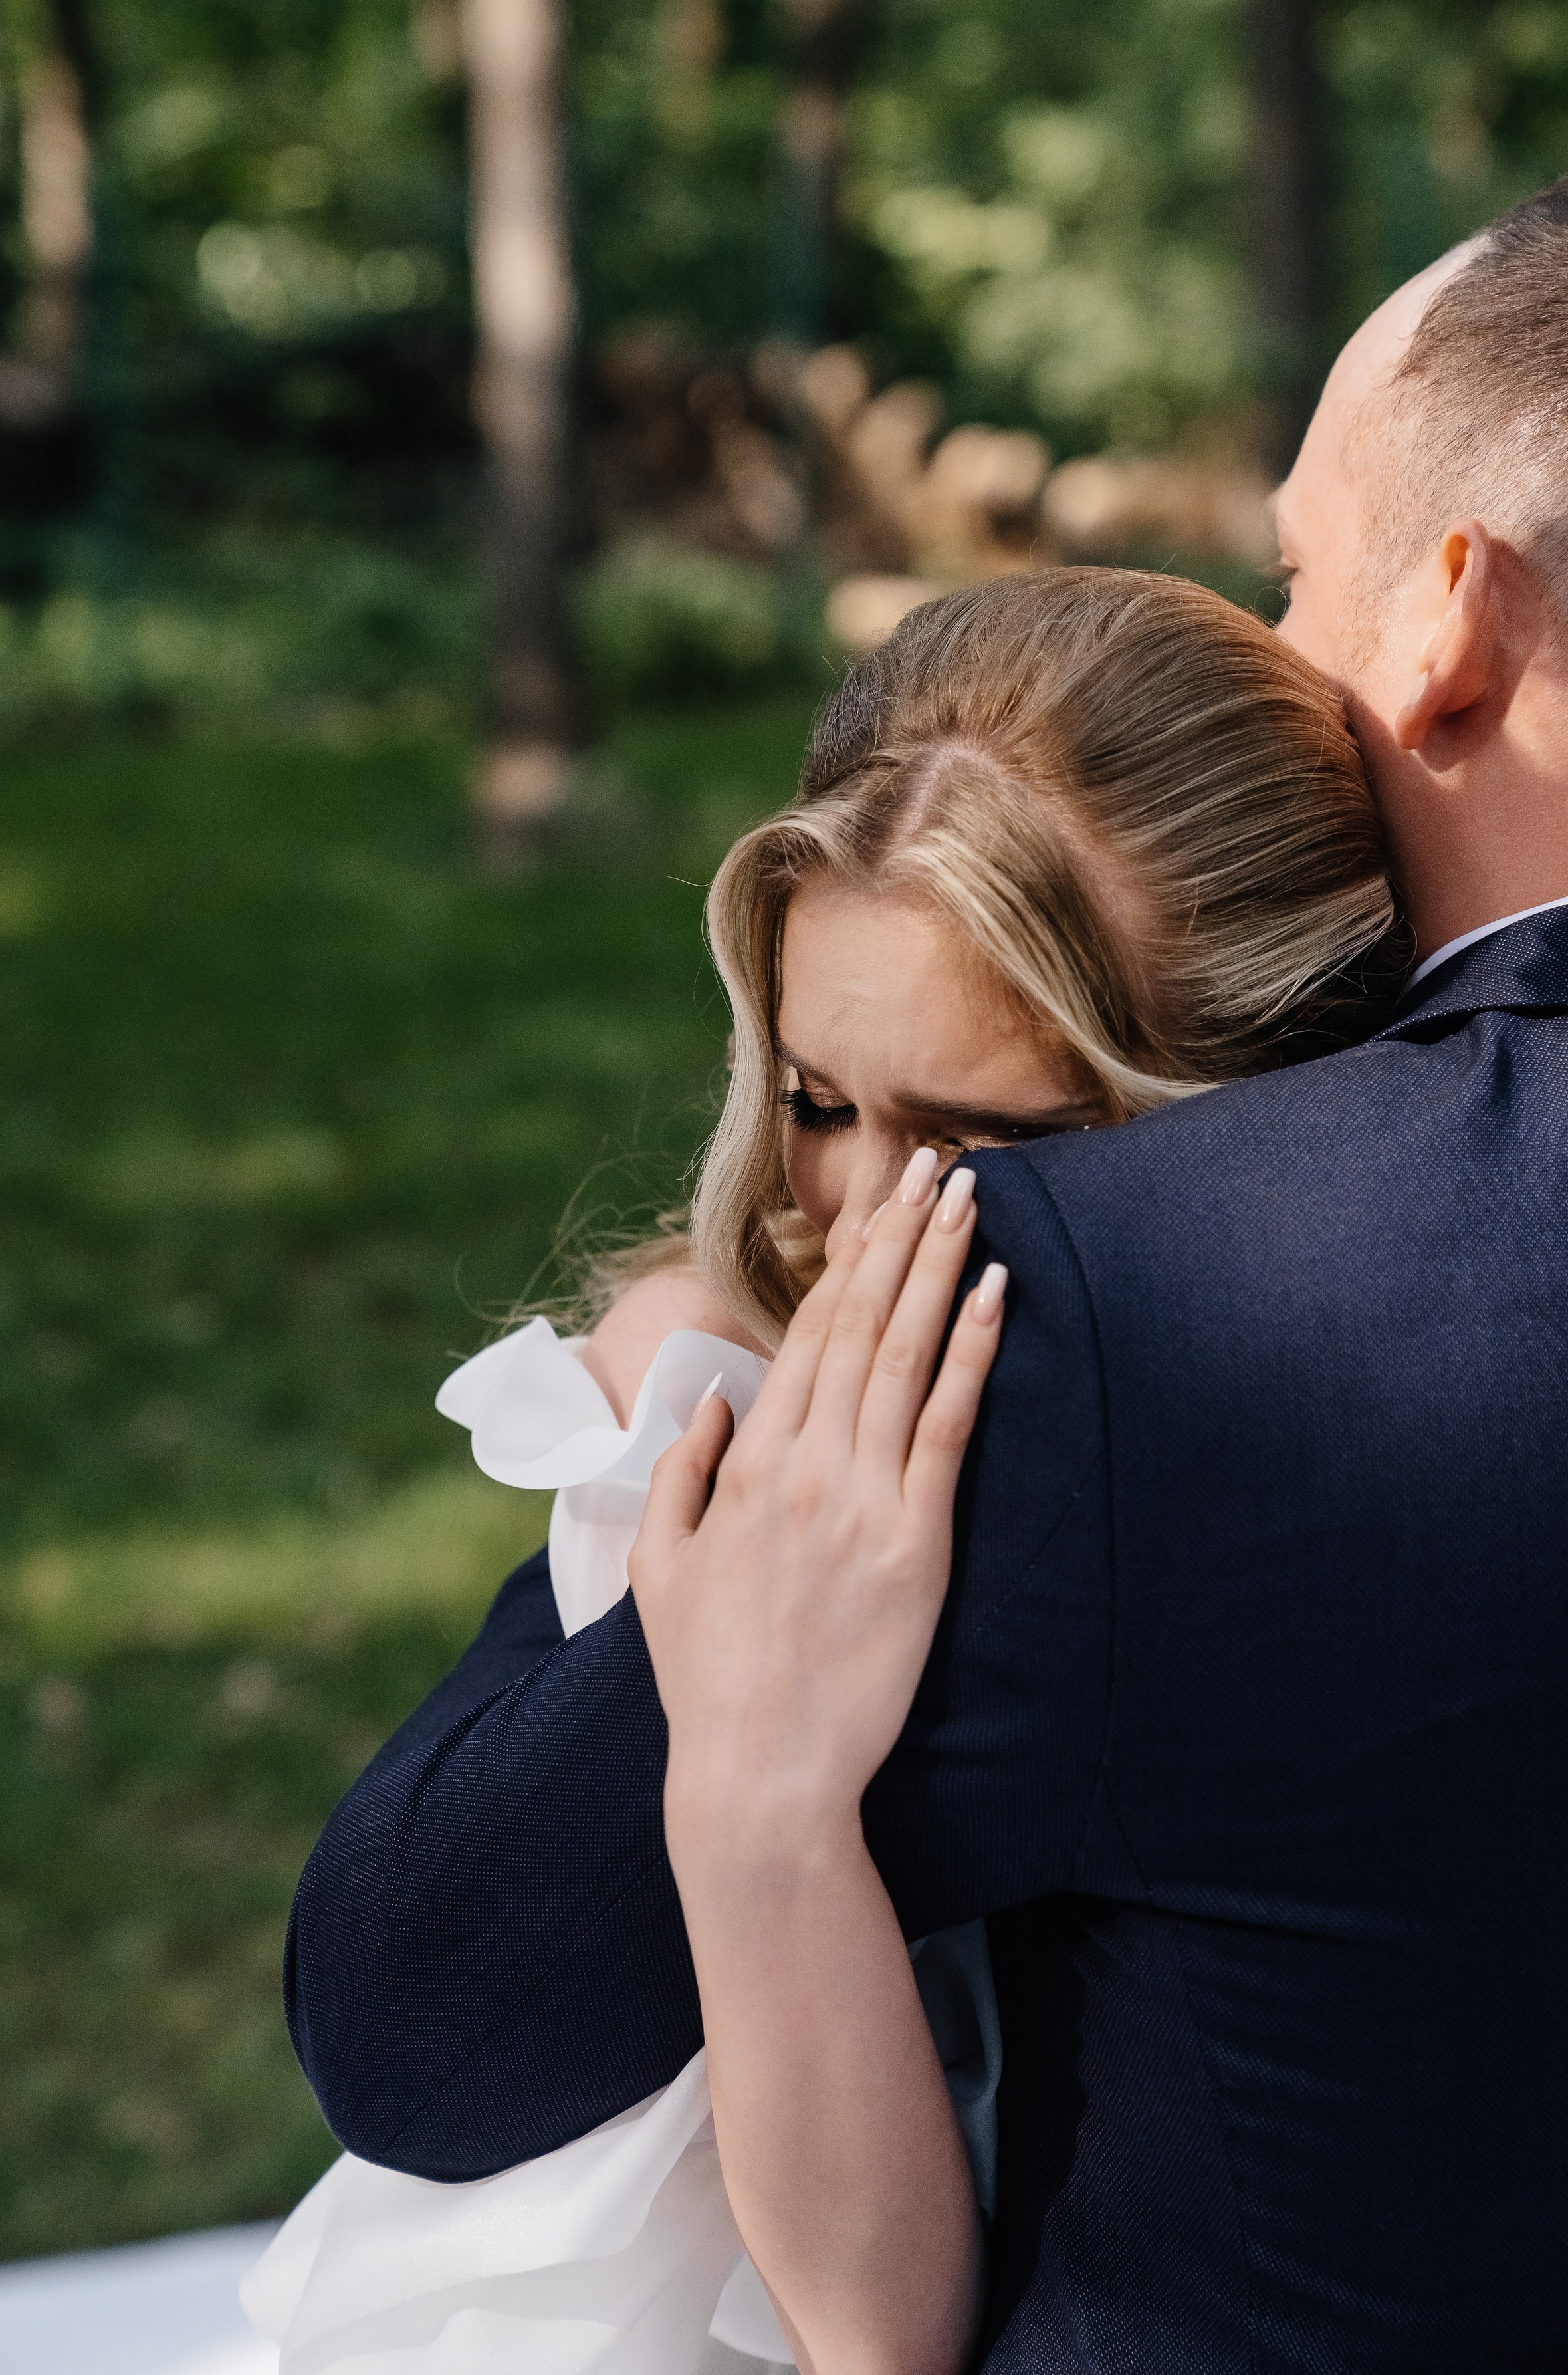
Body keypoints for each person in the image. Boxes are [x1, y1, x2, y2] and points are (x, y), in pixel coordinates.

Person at [280, 180, 1568, 2370]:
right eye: (815, 1103)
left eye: (1295, 570)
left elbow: (432, 2012)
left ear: (1447, 614)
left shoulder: (1172, 1317)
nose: (873, 1216)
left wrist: (708, 1644)